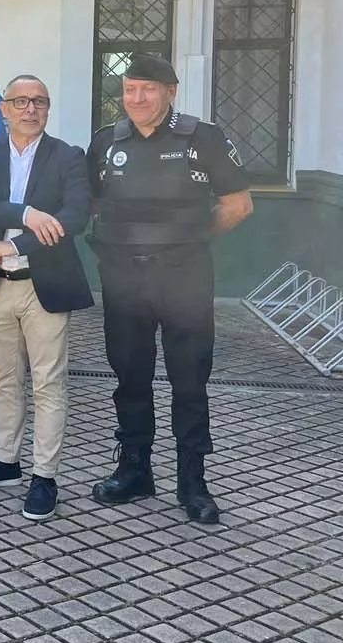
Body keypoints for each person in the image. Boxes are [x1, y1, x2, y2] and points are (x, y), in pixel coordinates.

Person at [86, 55, 253, 525]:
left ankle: (192, 480)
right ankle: (134, 469)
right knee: (130, 377)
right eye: (130, 89)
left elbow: (239, 205)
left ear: (171, 91)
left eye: (148, 89)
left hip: (184, 278)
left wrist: (188, 244)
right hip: (124, 279)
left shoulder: (204, 138)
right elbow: (95, 205)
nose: (137, 98)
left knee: (189, 380)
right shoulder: (105, 143)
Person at [0, 74, 94, 521]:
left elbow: (74, 217)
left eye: (39, 101)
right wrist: (27, 214)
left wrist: (18, 242)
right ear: (4, 109)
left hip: (44, 284)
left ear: (47, 109)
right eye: (20, 101)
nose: (30, 109)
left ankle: (44, 476)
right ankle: (5, 462)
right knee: (3, 379)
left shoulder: (68, 157)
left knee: (48, 382)